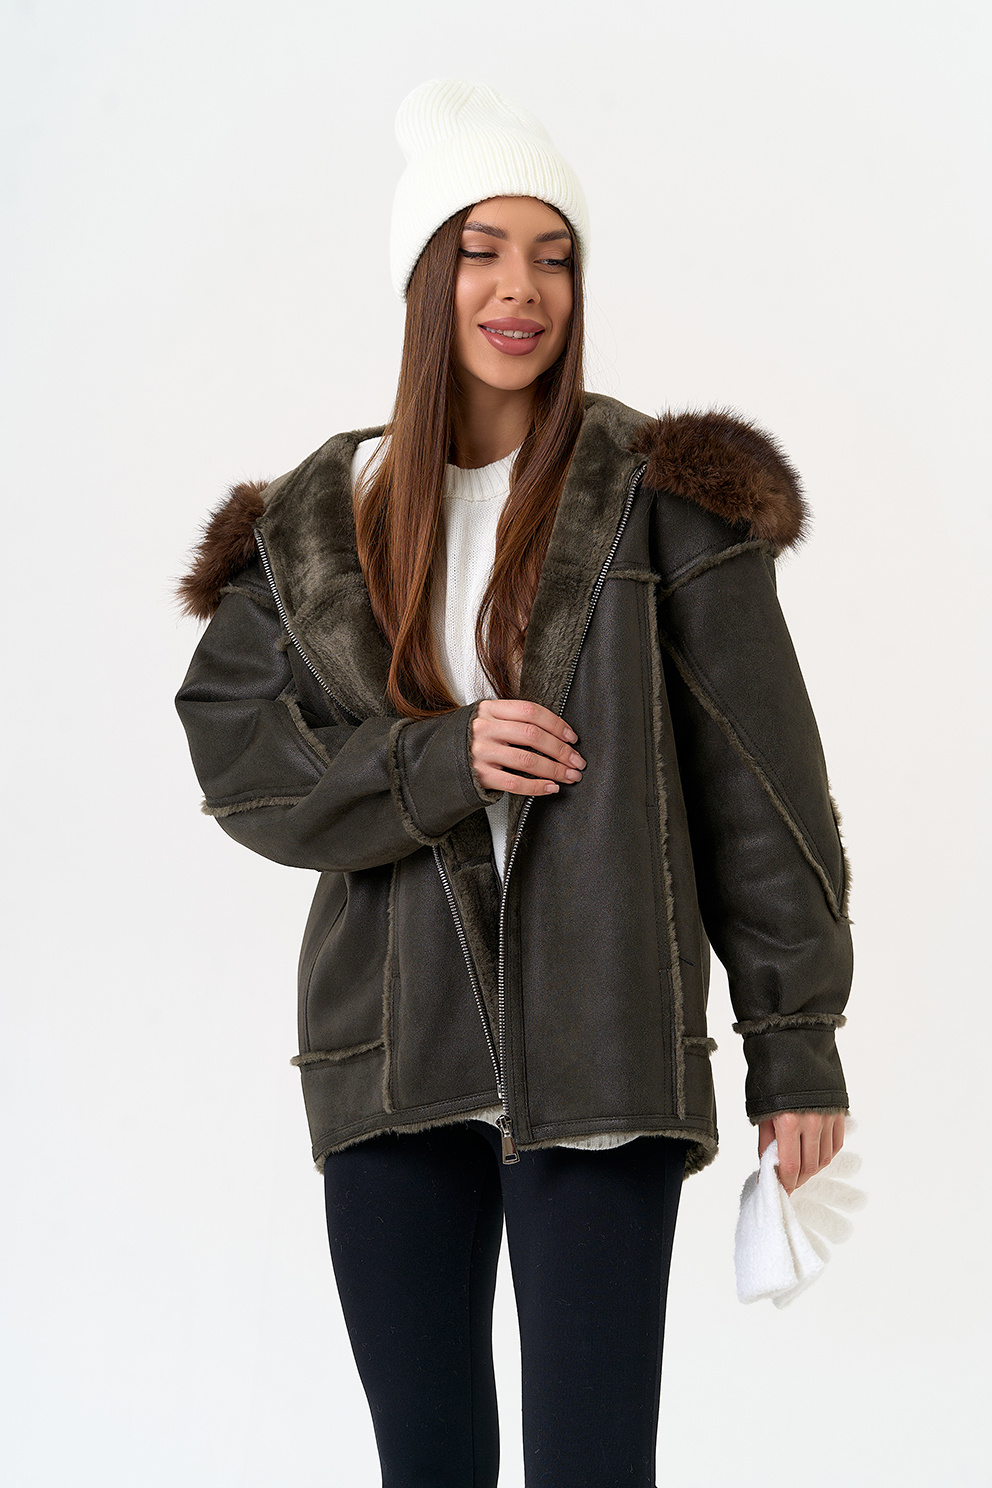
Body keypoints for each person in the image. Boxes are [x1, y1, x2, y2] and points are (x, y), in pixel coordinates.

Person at [176, 78, 852, 1488]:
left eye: (554, 255)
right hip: (390, 1053)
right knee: (427, 1461)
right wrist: (437, 757)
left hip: (606, 1045)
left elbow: (765, 791)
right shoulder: (319, 519)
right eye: (481, 249)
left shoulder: (663, 496)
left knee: (592, 1466)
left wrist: (795, 1043)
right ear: (426, 276)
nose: (520, 289)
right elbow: (240, 753)